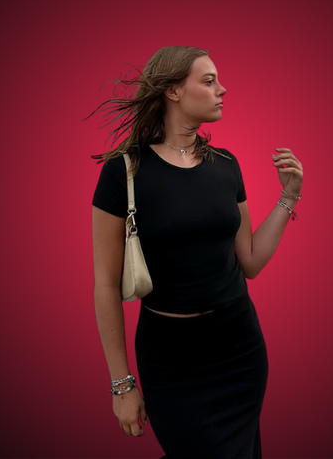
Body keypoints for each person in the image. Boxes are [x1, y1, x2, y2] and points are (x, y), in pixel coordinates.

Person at [90, 46, 304, 459]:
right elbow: (105, 285)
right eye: (208, 81)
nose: (222, 90)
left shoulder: (226, 164)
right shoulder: (124, 171)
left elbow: (250, 261)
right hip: (170, 359)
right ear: (172, 91)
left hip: (239, 350)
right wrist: (122, 384)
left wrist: (289, 196)